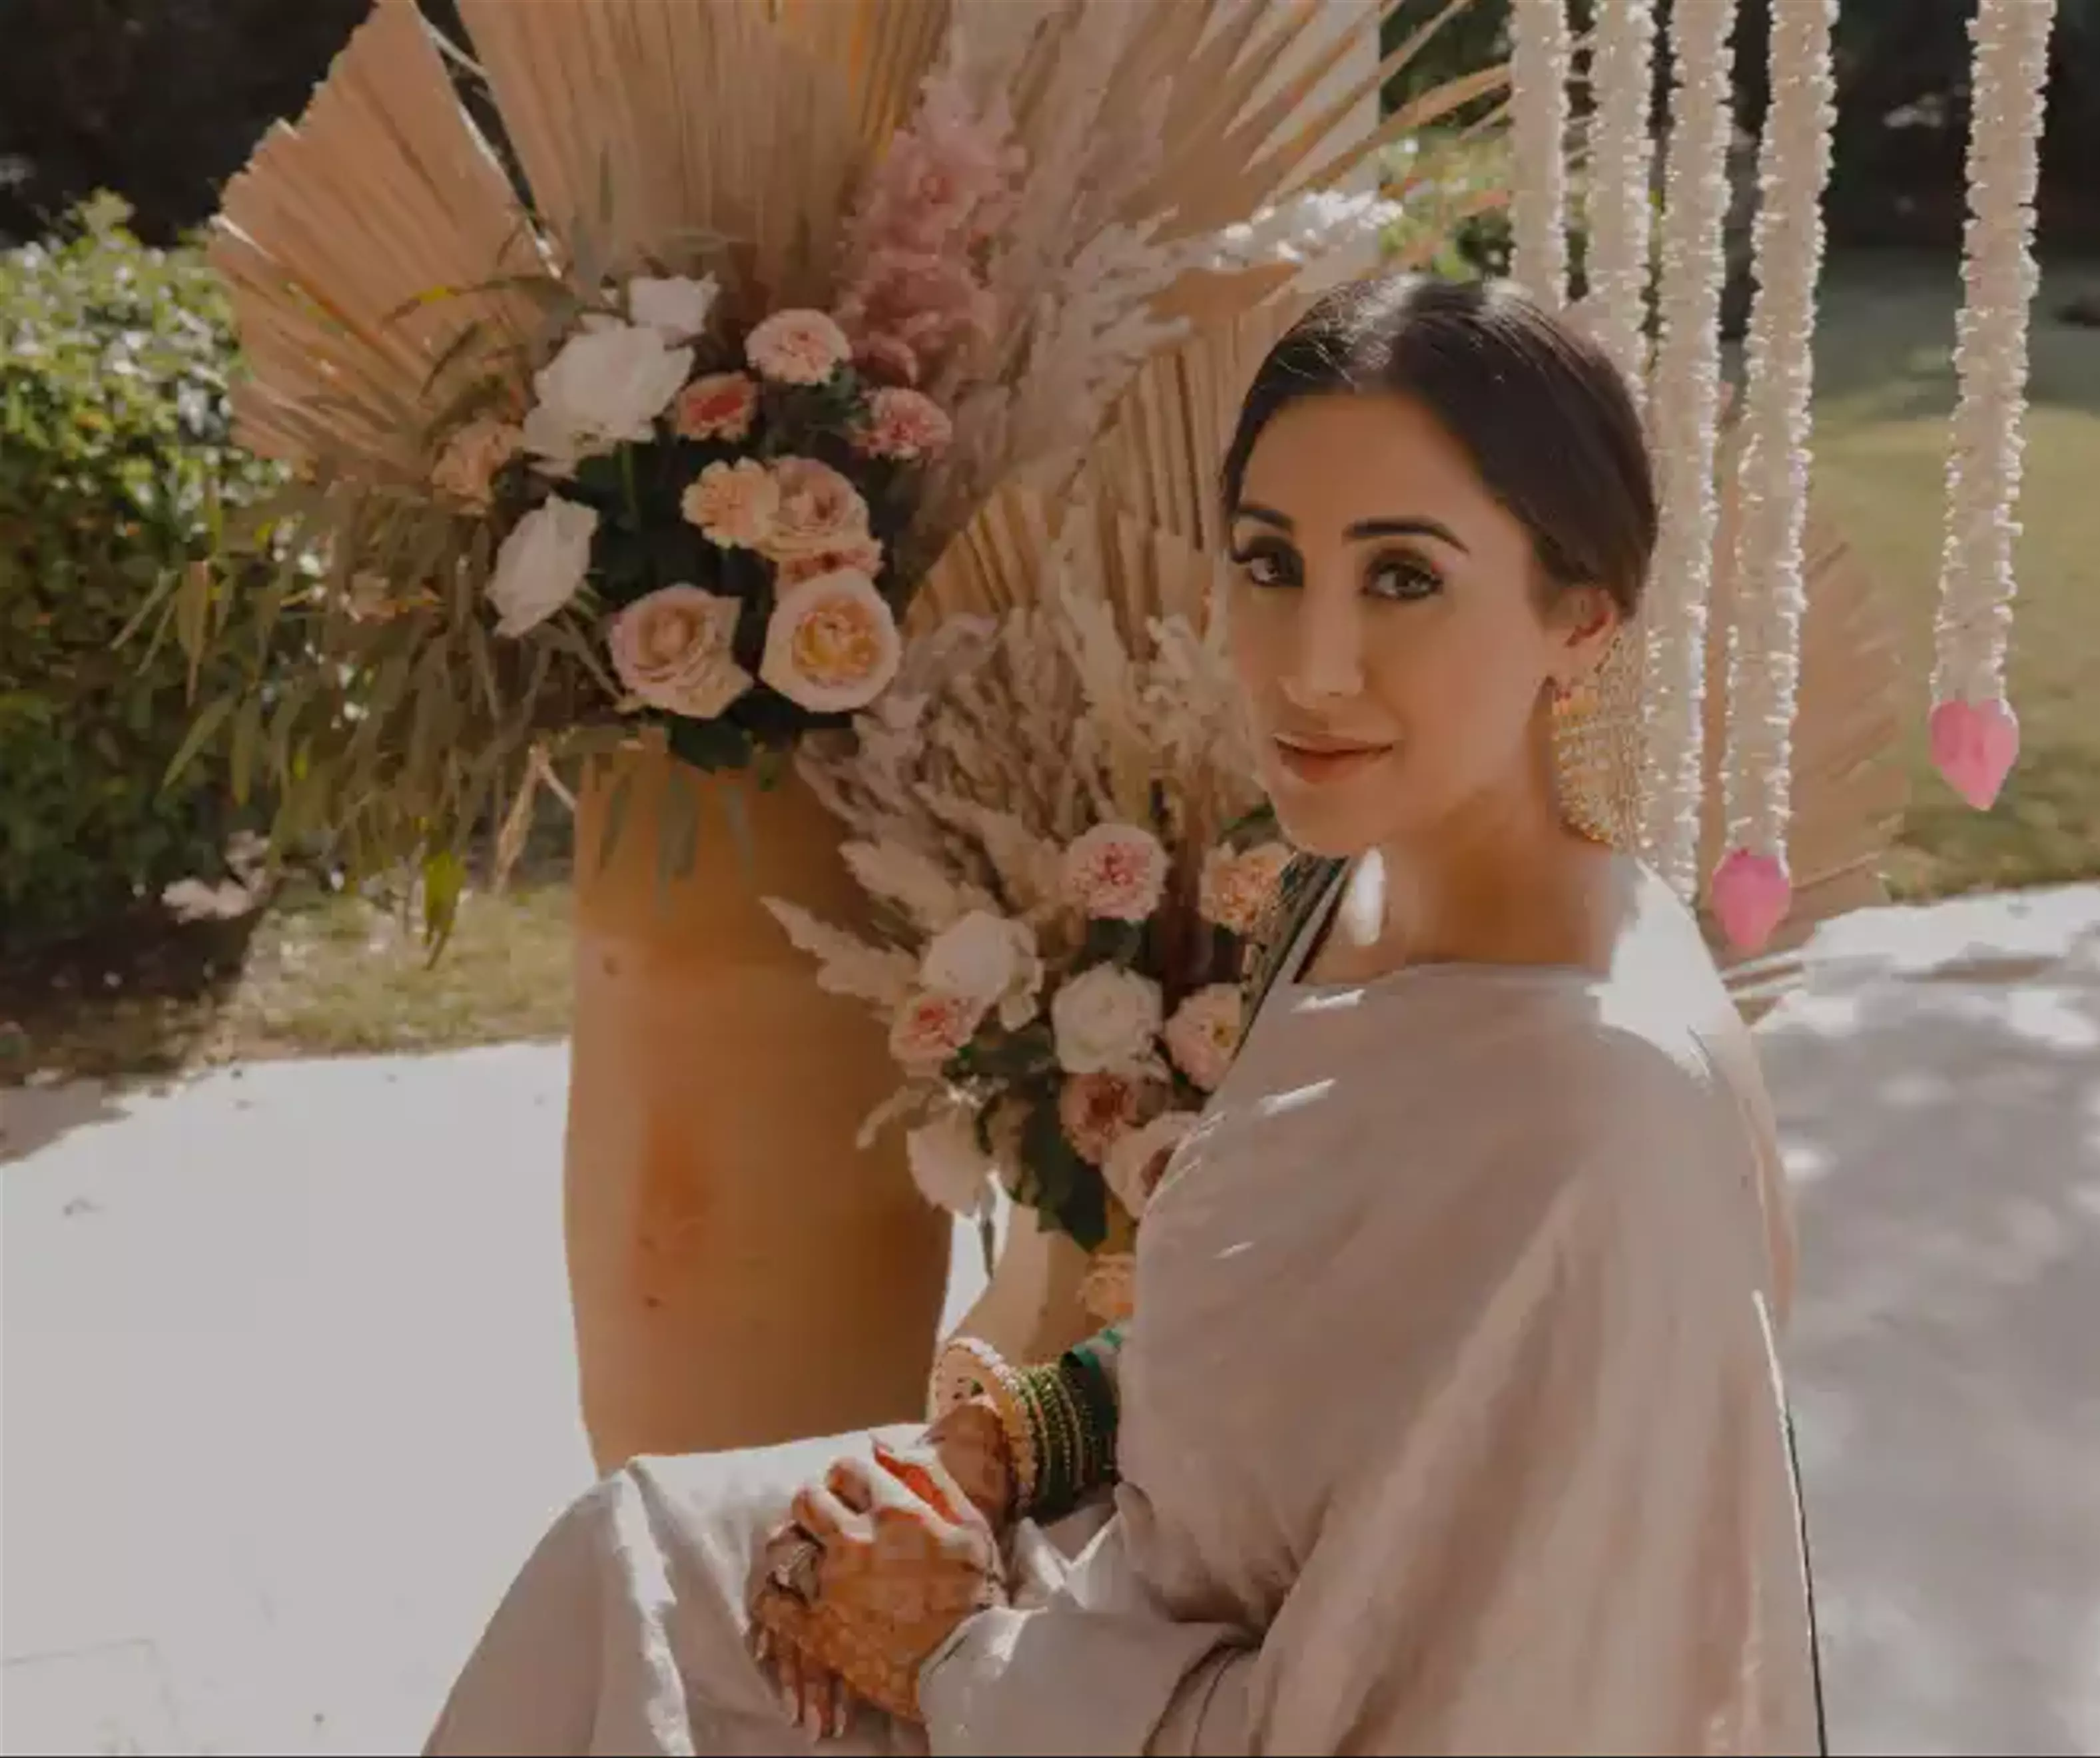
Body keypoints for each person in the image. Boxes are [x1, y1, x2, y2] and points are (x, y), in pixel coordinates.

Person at [424, 274, 1824, 1757]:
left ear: (1580, 622)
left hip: (1132, 1703)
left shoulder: (1593, 1116)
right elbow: (1282, 1352)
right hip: (1106, 1597)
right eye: (1271, 565)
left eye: (1405, 578)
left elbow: (1425, 1716)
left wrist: (954, 1651)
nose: (1310, 662)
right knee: (640, 1557)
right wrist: (991, 1453)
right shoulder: (1343, 904)